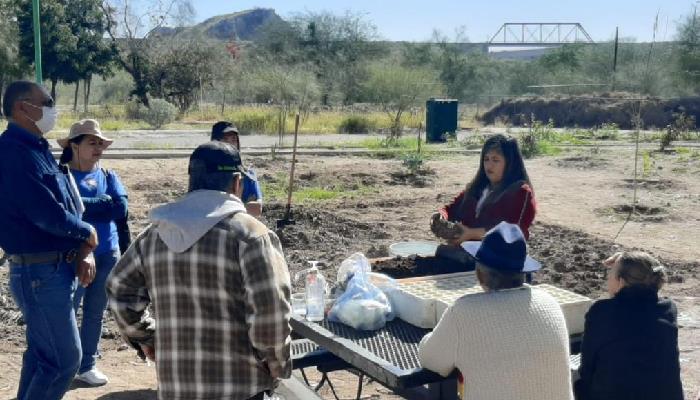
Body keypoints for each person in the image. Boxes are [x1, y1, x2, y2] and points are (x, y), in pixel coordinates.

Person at [106, 141, 292, 400]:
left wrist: (147, 337)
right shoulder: (251, 236)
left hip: (177, 387)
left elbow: (119, 288)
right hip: (240, 387)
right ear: (237, 183)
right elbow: (270, 314)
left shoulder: (154, 235)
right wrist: (276, 364)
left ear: (192, 181)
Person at [0, 81, 98, 400]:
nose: (53, 109)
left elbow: (68, 205)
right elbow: (46, 214)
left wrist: (83, 246)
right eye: (47, 102)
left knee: (43, 358)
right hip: (39, 275)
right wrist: (87, 232)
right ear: (22, 108)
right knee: (64, 362)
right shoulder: (13, 152)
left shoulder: (37, 149)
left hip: (54, 271)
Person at [418, 222, 573, 400]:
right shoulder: (549, 303)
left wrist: (434, 336)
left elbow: (430, 359)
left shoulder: (464, 312)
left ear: (479, 274)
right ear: (523, 273)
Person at [57, 119, 128, 386]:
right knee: (67, 312)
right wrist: (101, 203)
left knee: (95, 312)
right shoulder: (61, 176)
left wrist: (86, 205)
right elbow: (64, 210)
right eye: (92, 142)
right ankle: (65, 365)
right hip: (72, 254)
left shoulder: (109, 176)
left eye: (100, 143)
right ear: (75, 146)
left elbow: (120, 209)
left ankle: (87, 365)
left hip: (108, 252)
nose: (98, 147)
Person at [574, 251, 684, 400]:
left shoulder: (602, 311)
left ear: (621, 282)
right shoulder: (668, 309)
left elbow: (587, 367)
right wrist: (627, 261)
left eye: (610, 275)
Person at [432, 134, 536, 242]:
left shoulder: (520, 192)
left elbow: (513, 231)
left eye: (495, 160)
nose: (489, 165)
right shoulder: (478, 188)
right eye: (486, 159)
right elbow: (452, 209)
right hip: (467, 251)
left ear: (510, 164)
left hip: (498, 255)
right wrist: (441, 216)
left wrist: (471, 234)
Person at [211, 121, 263, 217]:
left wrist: (227, 207)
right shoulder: (207, 173)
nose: (230, 144)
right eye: (225, 139)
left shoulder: (248, 175)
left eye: (233, 139)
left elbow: (257, 209)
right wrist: (240, 205)